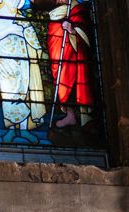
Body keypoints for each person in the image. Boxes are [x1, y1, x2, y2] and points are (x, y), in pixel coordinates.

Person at [0, 0, 46, 144]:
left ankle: (24, 131)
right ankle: (11, 131)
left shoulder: (22, 19)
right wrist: (9, 30)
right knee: (10, 97)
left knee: (24, 96)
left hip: (24, 63)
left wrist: (30, 39)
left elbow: (33, 40)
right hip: (7, 64)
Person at [37, 0, 95, 129]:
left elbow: (85, 34)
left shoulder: (76, 9)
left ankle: (84, 117)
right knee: (59, 78)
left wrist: (72, 30)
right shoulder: (53, 7)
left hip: (72, 52)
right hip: (57, 46)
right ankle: (70, 115)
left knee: (74, 79)